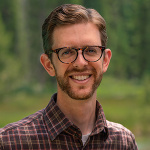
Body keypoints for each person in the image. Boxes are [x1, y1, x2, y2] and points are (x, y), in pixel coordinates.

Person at [0, 4, 138, 150]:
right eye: (67, 52)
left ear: (105, 60)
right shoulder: (10, 143)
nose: (80, 62)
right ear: (49, 65)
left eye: (91, 50)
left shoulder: (123, 141)